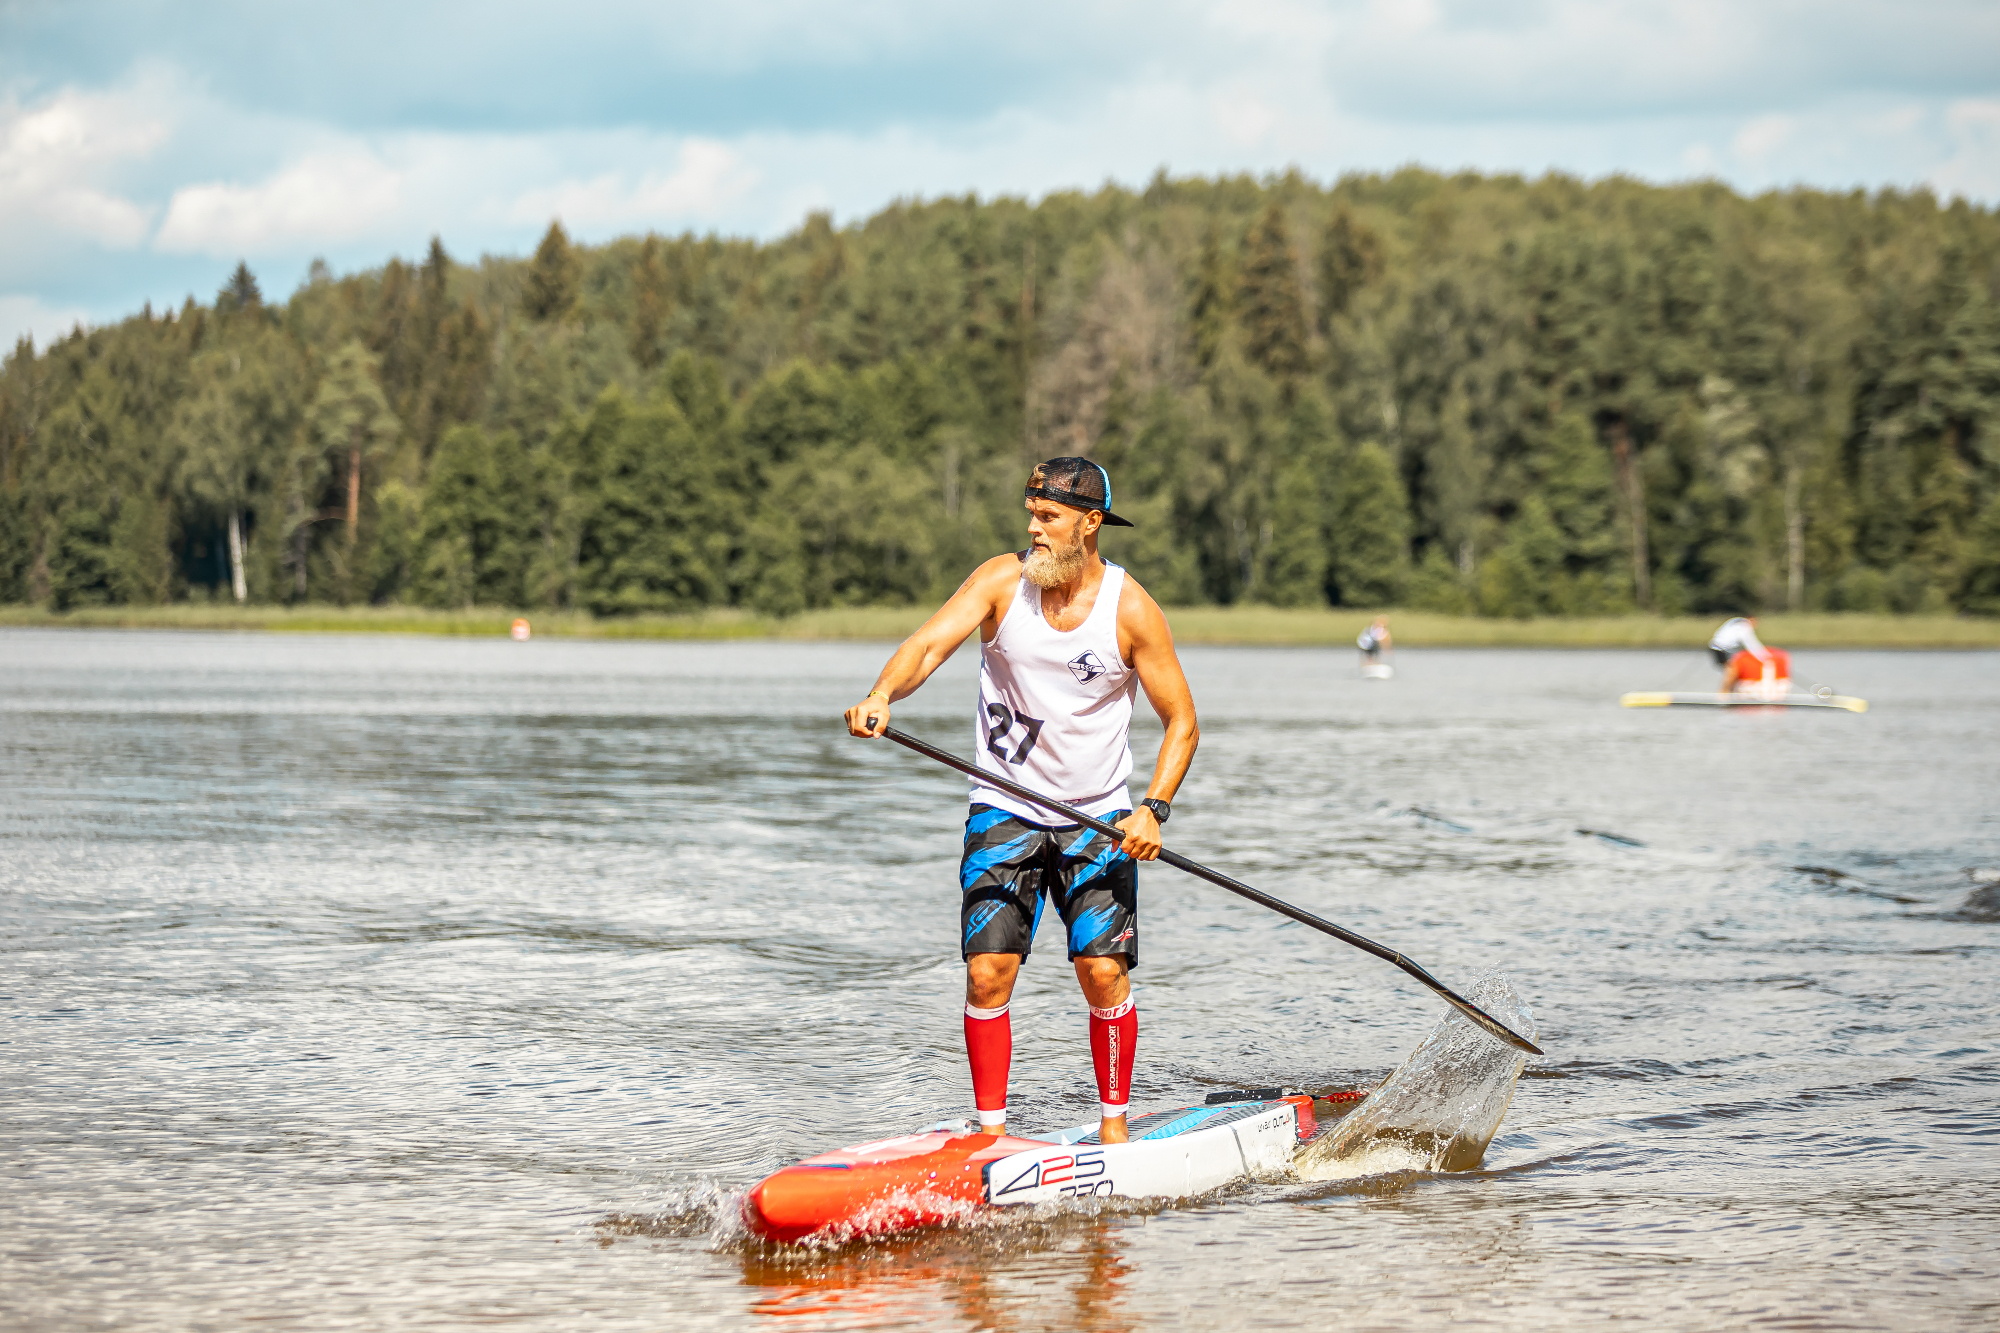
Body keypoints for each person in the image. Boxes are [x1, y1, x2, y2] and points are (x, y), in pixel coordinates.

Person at [843, 457, 1199, 1146]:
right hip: (1003, 809)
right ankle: (989, 1136)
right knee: (987, 972)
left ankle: (1115, 1131)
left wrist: (1154, 808)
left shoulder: (1130, 608)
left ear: (1090, 523)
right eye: (1030, 514)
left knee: (1101, 972)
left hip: (1097, 818)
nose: (1033, 528)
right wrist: (884, 692)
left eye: (1049, 517)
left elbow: (1182, 721)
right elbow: (925, 646)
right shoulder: (1000, 581)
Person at [1709, 616, 1773, 692]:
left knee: (1734, 671)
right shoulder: (1744, 627)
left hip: (1722, 648)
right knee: (1731, 671)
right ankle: (1724, 694)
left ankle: (1729, 693)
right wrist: (1764, 657)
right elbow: (1751, 644)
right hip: (1720, 648)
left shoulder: (1737, 621)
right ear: (1751, 620)